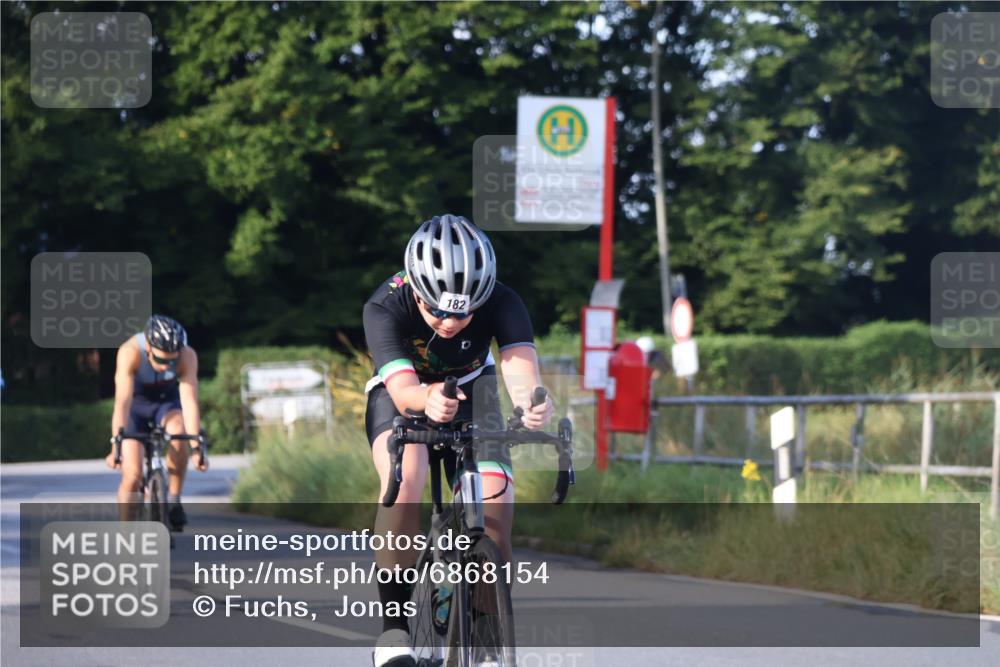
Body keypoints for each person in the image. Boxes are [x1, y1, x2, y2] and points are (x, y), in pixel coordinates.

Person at [363, 215, 553, 667]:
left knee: (496, 501)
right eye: (438, 311)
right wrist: (426, 398)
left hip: (473, 390)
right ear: (416, 291)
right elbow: (403, 391)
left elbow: (520, 370)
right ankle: (394, 629)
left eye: (463, 313)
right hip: (403, 394)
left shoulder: (503, 300)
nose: (450, 322)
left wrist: (531, 404)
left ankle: (486, 635)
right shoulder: (385, 306)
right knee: (407, 478)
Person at [105, 314, 208, 528]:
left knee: (178, 431)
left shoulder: (187, 355)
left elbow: (189, 402)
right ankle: (125, 532)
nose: (166, 366)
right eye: (161, 360)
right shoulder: (130, 352)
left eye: (172, 361)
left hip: (166, 404)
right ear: (148, 349)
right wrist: (116, 446)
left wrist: (197, 448)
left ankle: (174, 500)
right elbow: (122, 402)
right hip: (135, 406)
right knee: (132, 475)